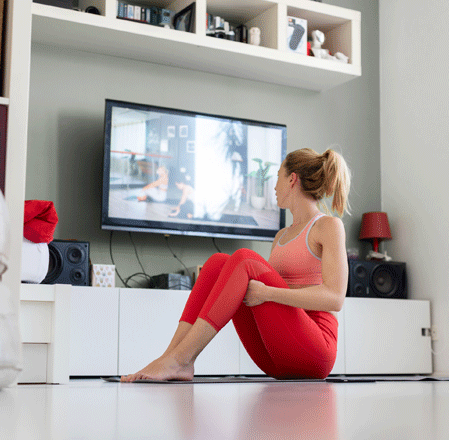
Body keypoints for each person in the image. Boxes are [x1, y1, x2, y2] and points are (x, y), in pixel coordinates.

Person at [121, 148, 351, 381]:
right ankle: (172, 357)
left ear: (292, 179)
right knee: (218, 262)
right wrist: (268, 293)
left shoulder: (327, 226)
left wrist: (269, 293)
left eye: (278, 176)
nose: (273, 186)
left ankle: (179, 360)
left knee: (244, 259)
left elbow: (334, 298)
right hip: (276, 359)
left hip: (316, 350)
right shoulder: (281, 236)